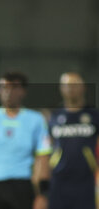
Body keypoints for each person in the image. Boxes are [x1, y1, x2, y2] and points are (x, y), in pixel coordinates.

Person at [0, 72, 51, 209]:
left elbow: (43, 158)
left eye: (13, 88)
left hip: (22, 187)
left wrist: (43, 195)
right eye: (3, 88)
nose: (7, 92)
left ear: (23, 91)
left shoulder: (36, 120)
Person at [48, 72, 99, 209]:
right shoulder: (53, 116)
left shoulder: (94, 116)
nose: (70, 88)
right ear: (61, 88)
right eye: (66, 85)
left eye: (74, 85)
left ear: (83, 87)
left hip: (86, 181)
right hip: (59, 180)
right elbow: (46, 147)